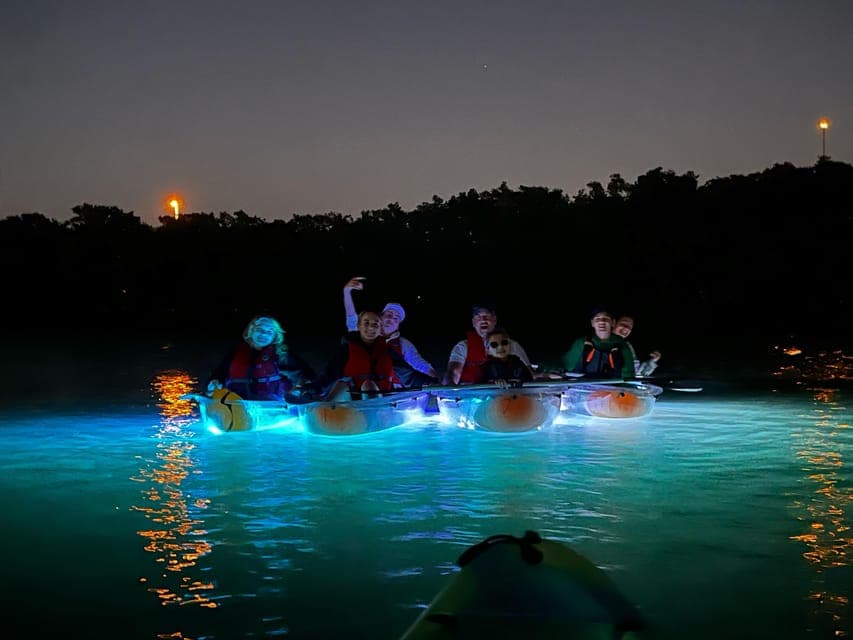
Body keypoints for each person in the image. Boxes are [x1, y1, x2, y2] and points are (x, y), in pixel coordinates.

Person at [342, 276, 439, 387]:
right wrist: (347, 292)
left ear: (398, 325)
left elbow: (420, 364)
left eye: (396, 318)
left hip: (391, 389)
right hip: (361, 385)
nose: (391, 319)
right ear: (380, 317)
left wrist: (434, 379)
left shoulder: (403, 344)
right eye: (388, 314)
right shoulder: (363, 335)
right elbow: (351, 318)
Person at [207, 315, 318, 401]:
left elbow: (306, 375)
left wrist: (301, 390)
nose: (264, 335)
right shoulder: (236, 352)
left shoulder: (282, 355)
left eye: (269, 332)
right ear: (251, 331)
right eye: (259, 330)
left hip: (270, 405)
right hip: (237, 402)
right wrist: (215, 381)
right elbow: (220, 372)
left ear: (275, 336)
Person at [321, 310, 402, 401]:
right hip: (354, 397)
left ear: (380, 329)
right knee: (341, 384)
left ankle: (373, 411)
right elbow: (330, 373)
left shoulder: (388, 350)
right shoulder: (346, 349)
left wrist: (420, 381)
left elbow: (406, 372)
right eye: (366, 323)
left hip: (381, 398)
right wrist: (316, 387)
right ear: (359, 326)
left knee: (369, 385)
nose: (371, 327)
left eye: (376, 324)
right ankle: (325, 409)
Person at [442, 303, 532, 385]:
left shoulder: (512, 345)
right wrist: (451, 392)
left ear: (495, 320)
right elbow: (453, 373)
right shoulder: (463, 347)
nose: (483, 320)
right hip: (471, 397)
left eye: (487, 316)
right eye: (478, 317)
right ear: (473, 322)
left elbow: (528, 373)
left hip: (507, 396)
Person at [562, 307, 634, 379]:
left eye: (606, 319)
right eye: (597, 319)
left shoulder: (622, 345)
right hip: (581, 386)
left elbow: (628, 376)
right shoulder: (581, 343)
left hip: (612, 388)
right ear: (592, 323)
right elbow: (566, 367)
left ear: (613, 323)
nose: (602, 321)